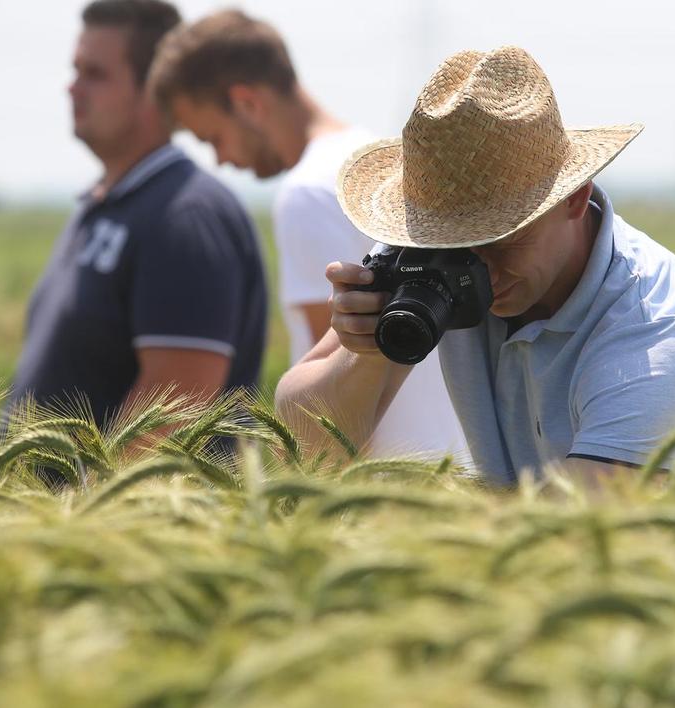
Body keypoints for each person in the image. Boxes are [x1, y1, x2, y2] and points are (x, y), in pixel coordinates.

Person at [275, 46, 675, 485]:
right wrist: (367, 350)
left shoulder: (653, 335)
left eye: (500, 237)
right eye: (449, 242)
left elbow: (574, 528)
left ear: (574, 198)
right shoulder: (433, 258)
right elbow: (302, 447)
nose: (478, 270)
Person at [147, 10, 467, 461]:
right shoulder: (376, 164)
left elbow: (338, 399)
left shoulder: (307, 194)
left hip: (384, 481)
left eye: (213, 137)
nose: (219, 160)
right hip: (450, 462)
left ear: (246, 103)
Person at [6, 0, 267, 435]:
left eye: (95, 74)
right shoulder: (105, 204)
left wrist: (92, 481)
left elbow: (175, 406)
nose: (73, 88)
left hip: (121, 485)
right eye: (76, 70)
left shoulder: (185, 216)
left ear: (152, 90)